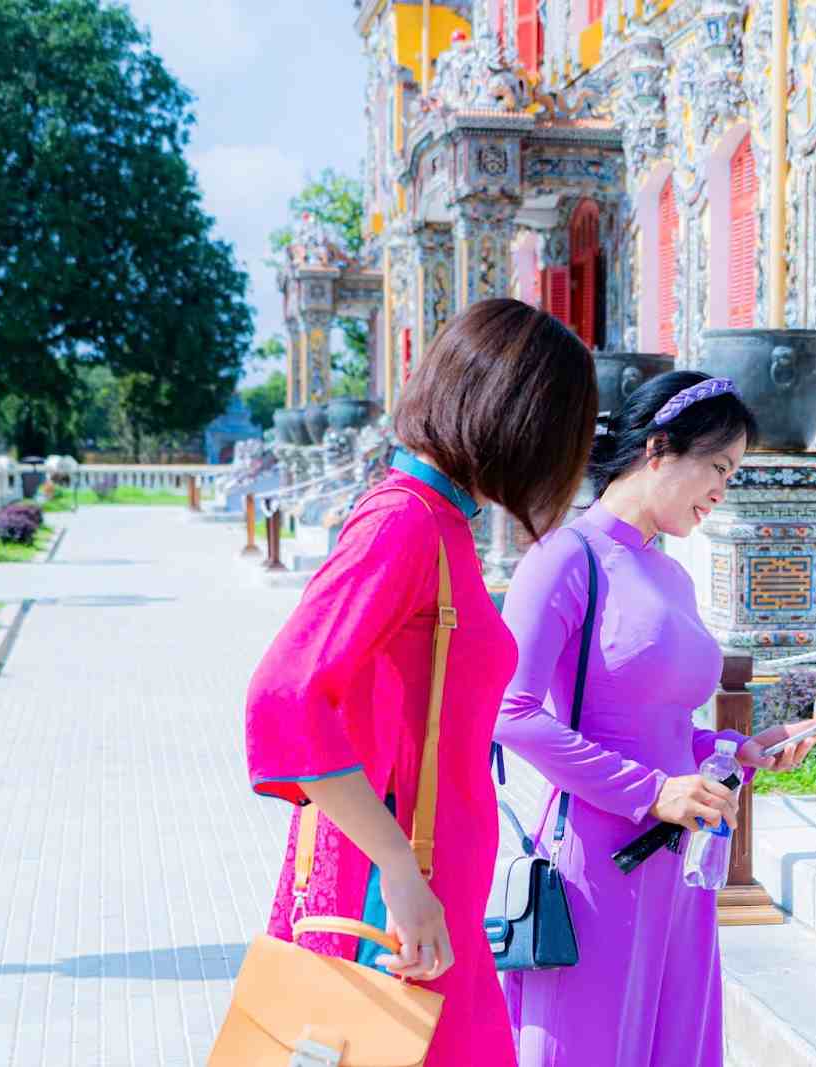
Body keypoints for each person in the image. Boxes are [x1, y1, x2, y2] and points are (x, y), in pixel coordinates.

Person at [243, 298, 597, 1067]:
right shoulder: (402, 522)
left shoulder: (442, 524)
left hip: (436, 908)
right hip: (396, 910)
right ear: (514, 418)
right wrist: (400, 870)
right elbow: (284, 695)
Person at [495, 369, 816, 1067]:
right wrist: (650, 791)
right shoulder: (564, 557)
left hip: (684, 862)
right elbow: (511, 711)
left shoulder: (671, 574)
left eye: (731, 474)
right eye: (717, 467)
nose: (721, 490)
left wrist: (739, 749)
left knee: (676, 1045)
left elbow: (669, 726)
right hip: (600, 853)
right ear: (659, 447)